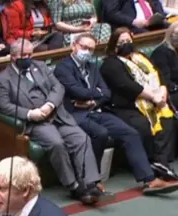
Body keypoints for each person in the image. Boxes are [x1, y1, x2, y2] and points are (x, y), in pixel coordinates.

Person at [55, 33, 178, 194]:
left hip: (97, 109)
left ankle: (149, 179)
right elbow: (75, 90)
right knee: (100, 133)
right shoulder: (63, 67)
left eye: (91, 49)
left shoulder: (92, 66)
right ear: (74, 46)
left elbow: (106, 93)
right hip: (75, 114)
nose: (87, 51)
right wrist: (94, 94)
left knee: (130, 133)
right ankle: (91, 181)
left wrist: (92, 99)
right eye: (83, 47)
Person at [0, 38, 110, 205]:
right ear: (12, 57)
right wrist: (30, 114)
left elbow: (58, 87)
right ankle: (74, 186)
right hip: (37, 123)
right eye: (23, 55)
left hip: (57, 115)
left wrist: (50, 104)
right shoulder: (3, 79)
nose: (27, 58)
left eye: (29, 54)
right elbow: (4, 106)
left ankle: (90, 183)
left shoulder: (40, 67)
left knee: (81, 138)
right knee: (57, 143)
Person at [101, 27, 178, 178]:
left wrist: (162, 92)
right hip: (127, 106)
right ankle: (150, 163)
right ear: (114, 44)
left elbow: (159, 74)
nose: (126, 44)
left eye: (128, 40)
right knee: (143, 125)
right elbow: (127, 86)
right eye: (121, 42)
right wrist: (153, 97)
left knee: (167, 118)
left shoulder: (141, 57)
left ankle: (161, 162)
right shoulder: (110, 63)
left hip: (153, 100)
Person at [151, 23, 178, 111]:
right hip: (169, 92)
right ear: (170, 35)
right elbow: (165, 80)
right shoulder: (161, 52)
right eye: (176, 34)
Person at [102, 0, 167, 33]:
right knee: (145, 33)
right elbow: (111, 13)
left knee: (172, 28)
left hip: (153, 23)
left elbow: (156, 3)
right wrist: (133, 22)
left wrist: (160, 17)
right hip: (129, 26)